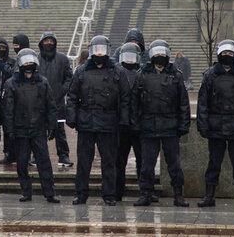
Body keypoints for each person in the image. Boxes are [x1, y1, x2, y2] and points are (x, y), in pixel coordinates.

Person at [66, 35, 130, 206]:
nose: (100, 53)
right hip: (86, 121)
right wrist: (72, 118)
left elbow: (125, 98)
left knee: (109, 161)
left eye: (102, 49)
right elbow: (72, 96)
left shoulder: (118, 71)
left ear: (108, 51)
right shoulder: (81, 71)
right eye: (97, 49)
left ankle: (109, 194)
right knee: (84, 161)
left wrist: (124, 120)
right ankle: (81, 193)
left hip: (108, 122)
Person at [195, 40, 234, 209]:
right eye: (224, 53)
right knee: (214, 162)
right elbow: (203, 103)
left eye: (230, 54)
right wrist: (203, 125)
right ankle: (209, 195)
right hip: (216, 126)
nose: (227, 56)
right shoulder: (209, 76)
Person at [130, 40, 190, 207]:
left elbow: (183, 103)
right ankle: (146, 194)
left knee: (174, 164)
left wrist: (183, 125)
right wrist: (135, 123)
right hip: (148, 126)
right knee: (147, 164)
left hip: (170, 126)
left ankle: (178, 194)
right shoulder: (142, 74)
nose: (160, 57)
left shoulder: (176, 75)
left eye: (163, 54)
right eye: (157, 53)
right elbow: (134, 101)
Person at [3, 48, 61, 203]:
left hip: (38, 128)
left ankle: (49, 192)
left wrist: (52, 125)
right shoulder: (11, 83)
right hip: (20, 129)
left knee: (44, 162)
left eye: (30, 61)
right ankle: (26, 191)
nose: (28, 64)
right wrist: (9, 130)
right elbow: (8, 109)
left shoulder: (43, 82)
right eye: (25, 61)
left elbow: (50, 105)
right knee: (22, 162)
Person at [37, 32, 74, 167]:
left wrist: (61, 91)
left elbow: (69, 78)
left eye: (51, 41)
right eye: (46, 41)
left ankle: (63, 155)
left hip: (57, 101)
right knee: (39, 131)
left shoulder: (63, 59)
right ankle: (37, 156)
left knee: (60, 131)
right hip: (39, 101)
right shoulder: (36, 59)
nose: (48, 44)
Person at [115, 42, 142, 202]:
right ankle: (118, 190)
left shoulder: (142, 74)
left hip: (138, 124)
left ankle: (146, 189)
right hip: (122, 125)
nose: (130, 61)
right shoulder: (117, 74)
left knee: (143, 160)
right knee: (119, 160)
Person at [0, 37, 17, 165]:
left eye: (3, 48)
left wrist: (4, 68)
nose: (1, 50)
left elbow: (14, 75)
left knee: (8, 127)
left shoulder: (12, 62)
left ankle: (9, 153)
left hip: (8, 98)